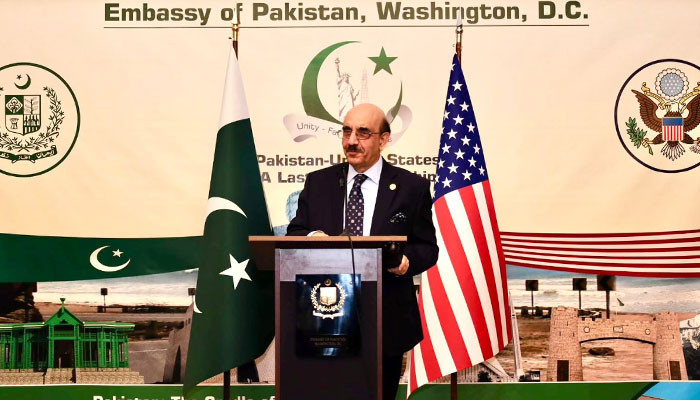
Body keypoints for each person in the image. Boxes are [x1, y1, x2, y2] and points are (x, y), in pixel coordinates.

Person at [287, 103, 438, 400]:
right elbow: (296, 232)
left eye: (363, 133)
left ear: (384, 140)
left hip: (386, 320)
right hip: (325, 317)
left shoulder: (411, 187)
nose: (352, 141)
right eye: (347, 132)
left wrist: (407, 261)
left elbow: (427, 247)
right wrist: (317, 237)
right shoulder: (319, 183)